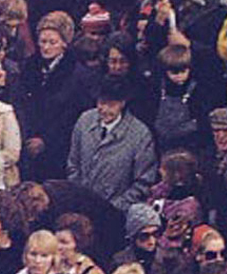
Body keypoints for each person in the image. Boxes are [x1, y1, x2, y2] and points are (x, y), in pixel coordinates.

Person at [67, 79, 159, 212]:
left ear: (122, 103)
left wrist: (114, 207)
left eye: (110, 105)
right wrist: (78, 196)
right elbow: (73, 163)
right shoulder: (84, 120)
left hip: (117, 212)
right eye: (101, 103)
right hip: (81, 206)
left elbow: (144, 181)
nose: (103, 109)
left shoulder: (140, 134)